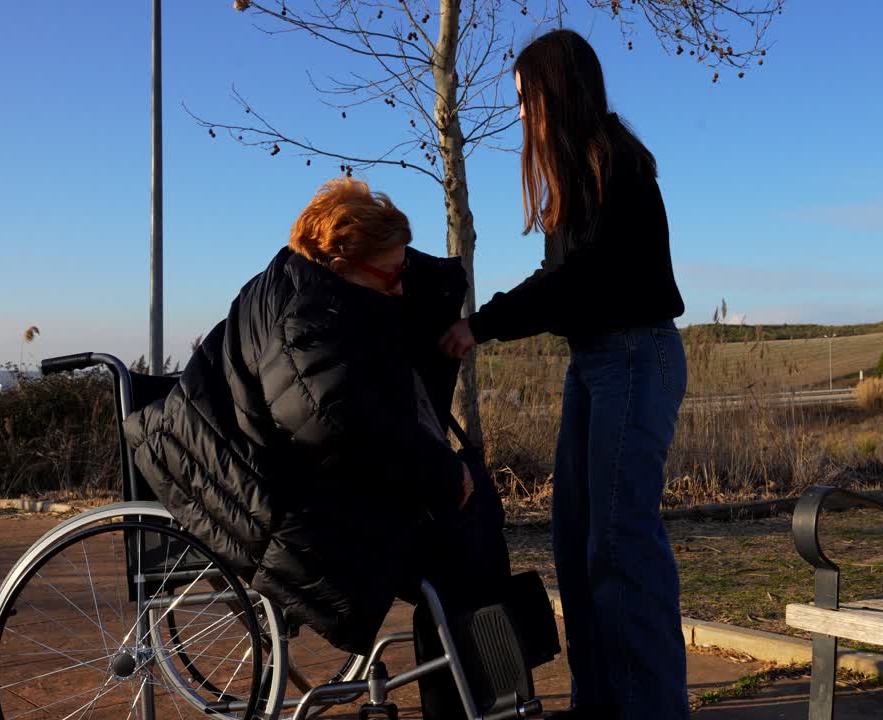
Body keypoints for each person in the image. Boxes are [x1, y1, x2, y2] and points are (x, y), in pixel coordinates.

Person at [124, 177, 509, 657]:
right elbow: (337, 422)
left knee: (467, 518)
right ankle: (478, 681)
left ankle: (479, 675)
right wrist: (443, 475)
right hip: (275, 503)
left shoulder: (310, 289)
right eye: (392, 274)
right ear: (343, 266)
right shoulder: (306, 318)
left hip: (273, 476)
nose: (400, 287)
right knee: (459, 539)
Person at [439, 29, 689, 720]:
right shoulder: (579, 169)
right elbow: (561, 277)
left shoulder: (613, 164)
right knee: (577, 543)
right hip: (596, 362)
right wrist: (482, 322)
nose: (521, 113)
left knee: (620, 546)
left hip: (634, 357)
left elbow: (575, 281)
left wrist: (481, 325)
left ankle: (648, 710)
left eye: (526, 98)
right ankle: (598, 705)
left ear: (557, 92)